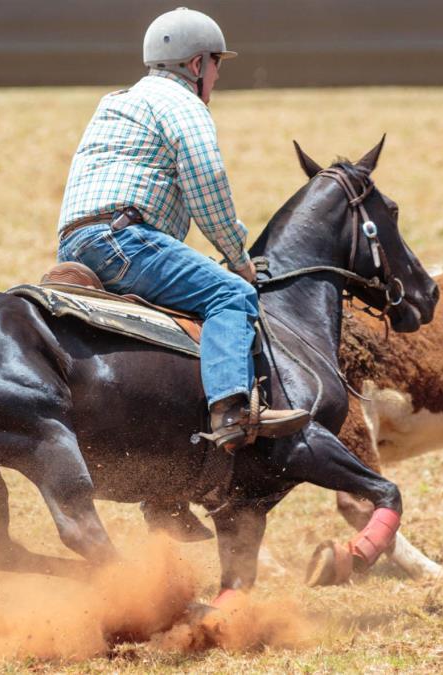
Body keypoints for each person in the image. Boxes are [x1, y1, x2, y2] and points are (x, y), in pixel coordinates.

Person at [56, 7, 310, 457]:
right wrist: (239, 261)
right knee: (230, 295)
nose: (217, 76)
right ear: (196, 65)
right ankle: (231, 411)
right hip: (124, 242)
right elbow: (208, 187)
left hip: (76, 243)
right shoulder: (183, 105)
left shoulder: (117, 100)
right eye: (216, 64)